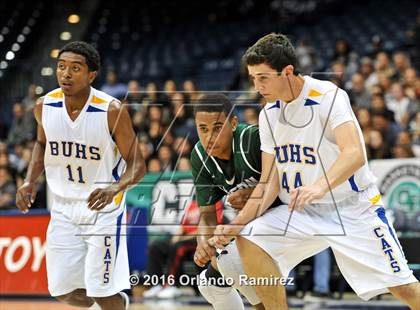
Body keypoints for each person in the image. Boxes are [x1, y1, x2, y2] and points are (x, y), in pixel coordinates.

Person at [211, 33, 420, 310]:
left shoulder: (328, 96)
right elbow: (268, 183)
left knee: (404, 287)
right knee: (249, 237)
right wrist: (235, 225)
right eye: (252, 78)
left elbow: (355, 153)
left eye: (263, 77)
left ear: (287, 72)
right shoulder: (268, 114)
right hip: (302, 211)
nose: (256, 86)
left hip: (352, 209)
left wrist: (319, 186)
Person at [15, 41, 146, 310]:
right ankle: (110, 303)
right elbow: (41, 144)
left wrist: (115, 188)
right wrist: (30, 180)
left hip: (103, 210)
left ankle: (113, 301)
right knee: (61, 289)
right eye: (61, 67)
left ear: (91, 75)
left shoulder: (111, 111)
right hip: (62, 208)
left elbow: (137, 165)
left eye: (75, 68)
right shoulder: (44, 106)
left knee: (102, 290)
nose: (66, 73)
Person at [191, 93, 287, 310]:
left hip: (289, 216)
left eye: (217, 128)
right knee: (209, 284)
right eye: (202, 129)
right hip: (253, 226)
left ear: (233, 123)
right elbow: (206, 215)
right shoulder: (199, 156)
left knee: (231, 262)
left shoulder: (253, 139)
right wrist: (204, 243)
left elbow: (291, 180)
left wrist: (256, 192)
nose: (209, 137)